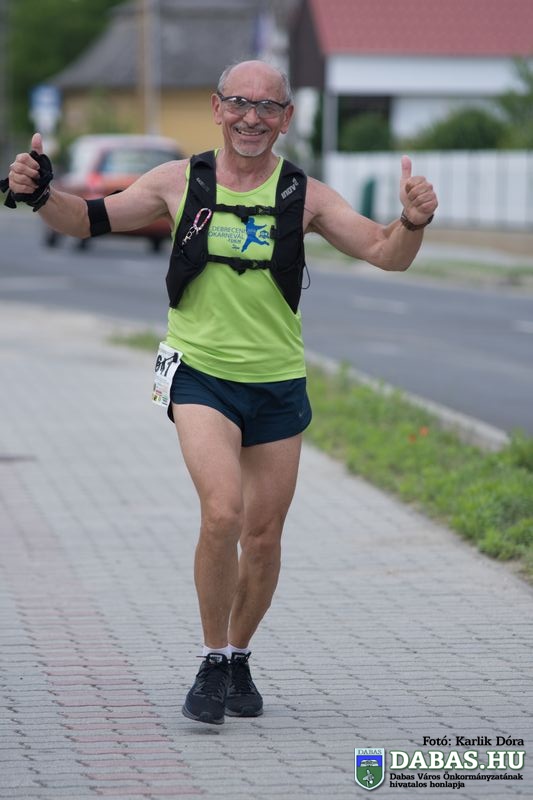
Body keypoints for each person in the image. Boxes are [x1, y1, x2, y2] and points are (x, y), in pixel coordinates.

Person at [4, 60, 438, 726]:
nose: (251, 118)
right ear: (216, 108)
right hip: (200, 374)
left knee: (262, 537)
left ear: (286, 118)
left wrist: (411, 222)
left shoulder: (305, 195)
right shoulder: (177, 181)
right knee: (223, 513)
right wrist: (38, 194)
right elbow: (87, 220)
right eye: (239, 103)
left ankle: (238, 655)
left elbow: (385, 252)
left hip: (277, 381)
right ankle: (211, 659)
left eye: (267, 108)